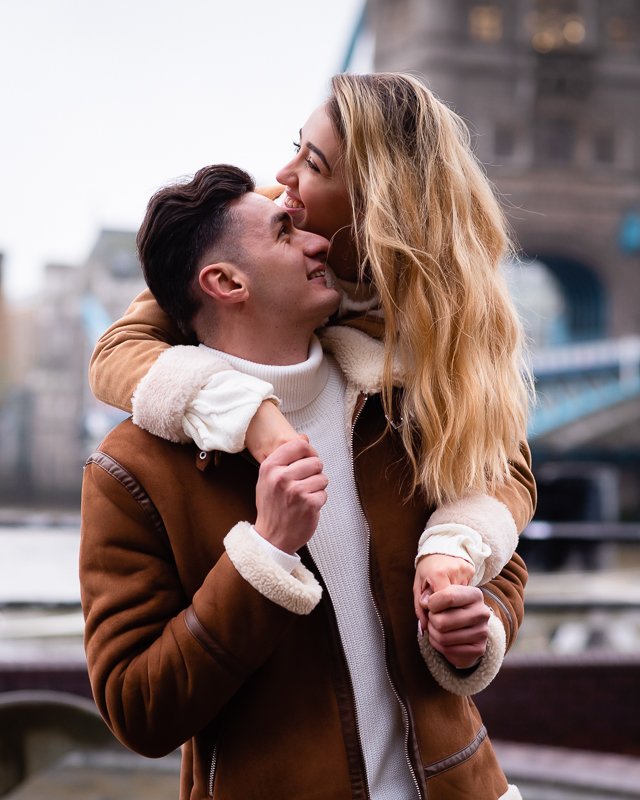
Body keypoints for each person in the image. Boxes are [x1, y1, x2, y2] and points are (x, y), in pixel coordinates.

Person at [81, 163, 525, 799]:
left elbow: (502, 548)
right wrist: (264, 553)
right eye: (286, 232)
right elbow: (137, 709)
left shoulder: (400, 408)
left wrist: (479, 618)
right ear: (226, 281)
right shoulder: (131, 469)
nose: (320, 241)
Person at [88, 71, 535, 633]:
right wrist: (253, 417)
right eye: (295, 147)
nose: (282, 175)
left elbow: (502, 468)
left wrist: (453, 550)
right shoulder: (269, 219)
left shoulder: (455, 312)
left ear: (376, 203)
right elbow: (118, 350)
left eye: (314, 164)